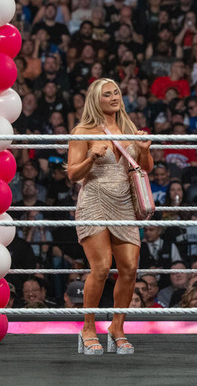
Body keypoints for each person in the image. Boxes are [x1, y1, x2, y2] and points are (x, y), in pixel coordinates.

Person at [67, 78, 153, 356]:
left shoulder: (128, 128)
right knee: (102, 267)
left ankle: (117, 328)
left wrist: (145, 149)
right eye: (107, 94)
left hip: (125, 203)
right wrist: (91, 157)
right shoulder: (83, 130)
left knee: (129, 268)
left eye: (116, 92)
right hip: (95, 201)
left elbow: (146, 168)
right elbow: (72, 174)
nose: (114, 97)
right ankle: (88, 328)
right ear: (96, 100)